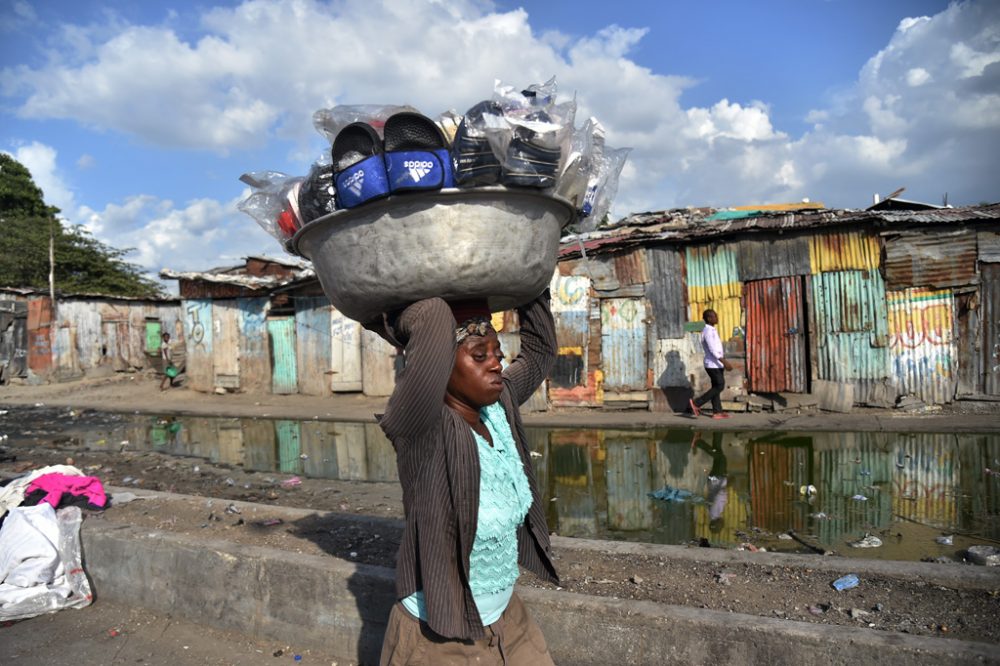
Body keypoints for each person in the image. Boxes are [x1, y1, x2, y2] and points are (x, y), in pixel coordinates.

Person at [370, 292, 559, 666]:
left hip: (509, 622)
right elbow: (433, 317)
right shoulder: (422, 428)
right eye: (479, 355)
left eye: (498, 354)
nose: (495, 365)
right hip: (439, 638)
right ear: (440, 364)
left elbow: (540, 352)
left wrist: (534, 283)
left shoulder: (498, 408)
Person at [688, 309, 732, 419]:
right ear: (708, 318)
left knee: (716, 387)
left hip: (717, 364)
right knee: (720, 385)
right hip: (712, 364)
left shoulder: (712, 330)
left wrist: (722, 362)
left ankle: (717, 412)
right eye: (714, 316)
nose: (717, 318)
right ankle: (697, 403)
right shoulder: (707, 331)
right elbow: (713, 349)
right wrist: (725, 362)